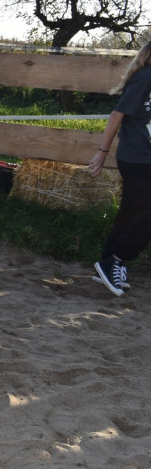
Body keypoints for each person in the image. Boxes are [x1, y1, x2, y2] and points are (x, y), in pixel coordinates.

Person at [88, 40, 151, 296]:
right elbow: (117, 114)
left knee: (131, 211)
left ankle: (104, 266)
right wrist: (102, 152)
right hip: (137, 158)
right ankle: (115, 260)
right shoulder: (146, 77)